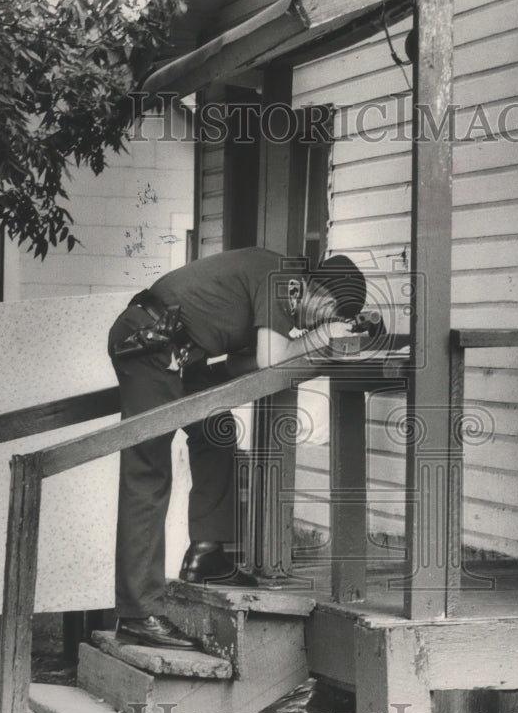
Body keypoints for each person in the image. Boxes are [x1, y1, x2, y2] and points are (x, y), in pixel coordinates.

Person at [107, 247, 367, 649]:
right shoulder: (284, 280)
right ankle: (137, 613)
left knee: (216, 430)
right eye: (330, 315)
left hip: (178, 350)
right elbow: (270, 360)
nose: (315, 324)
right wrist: (322, 338)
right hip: (150, 341)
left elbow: (241, 368)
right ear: (325, 298)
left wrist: (318, 343)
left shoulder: (281, 285)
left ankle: (207, 554)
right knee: (148, 469)